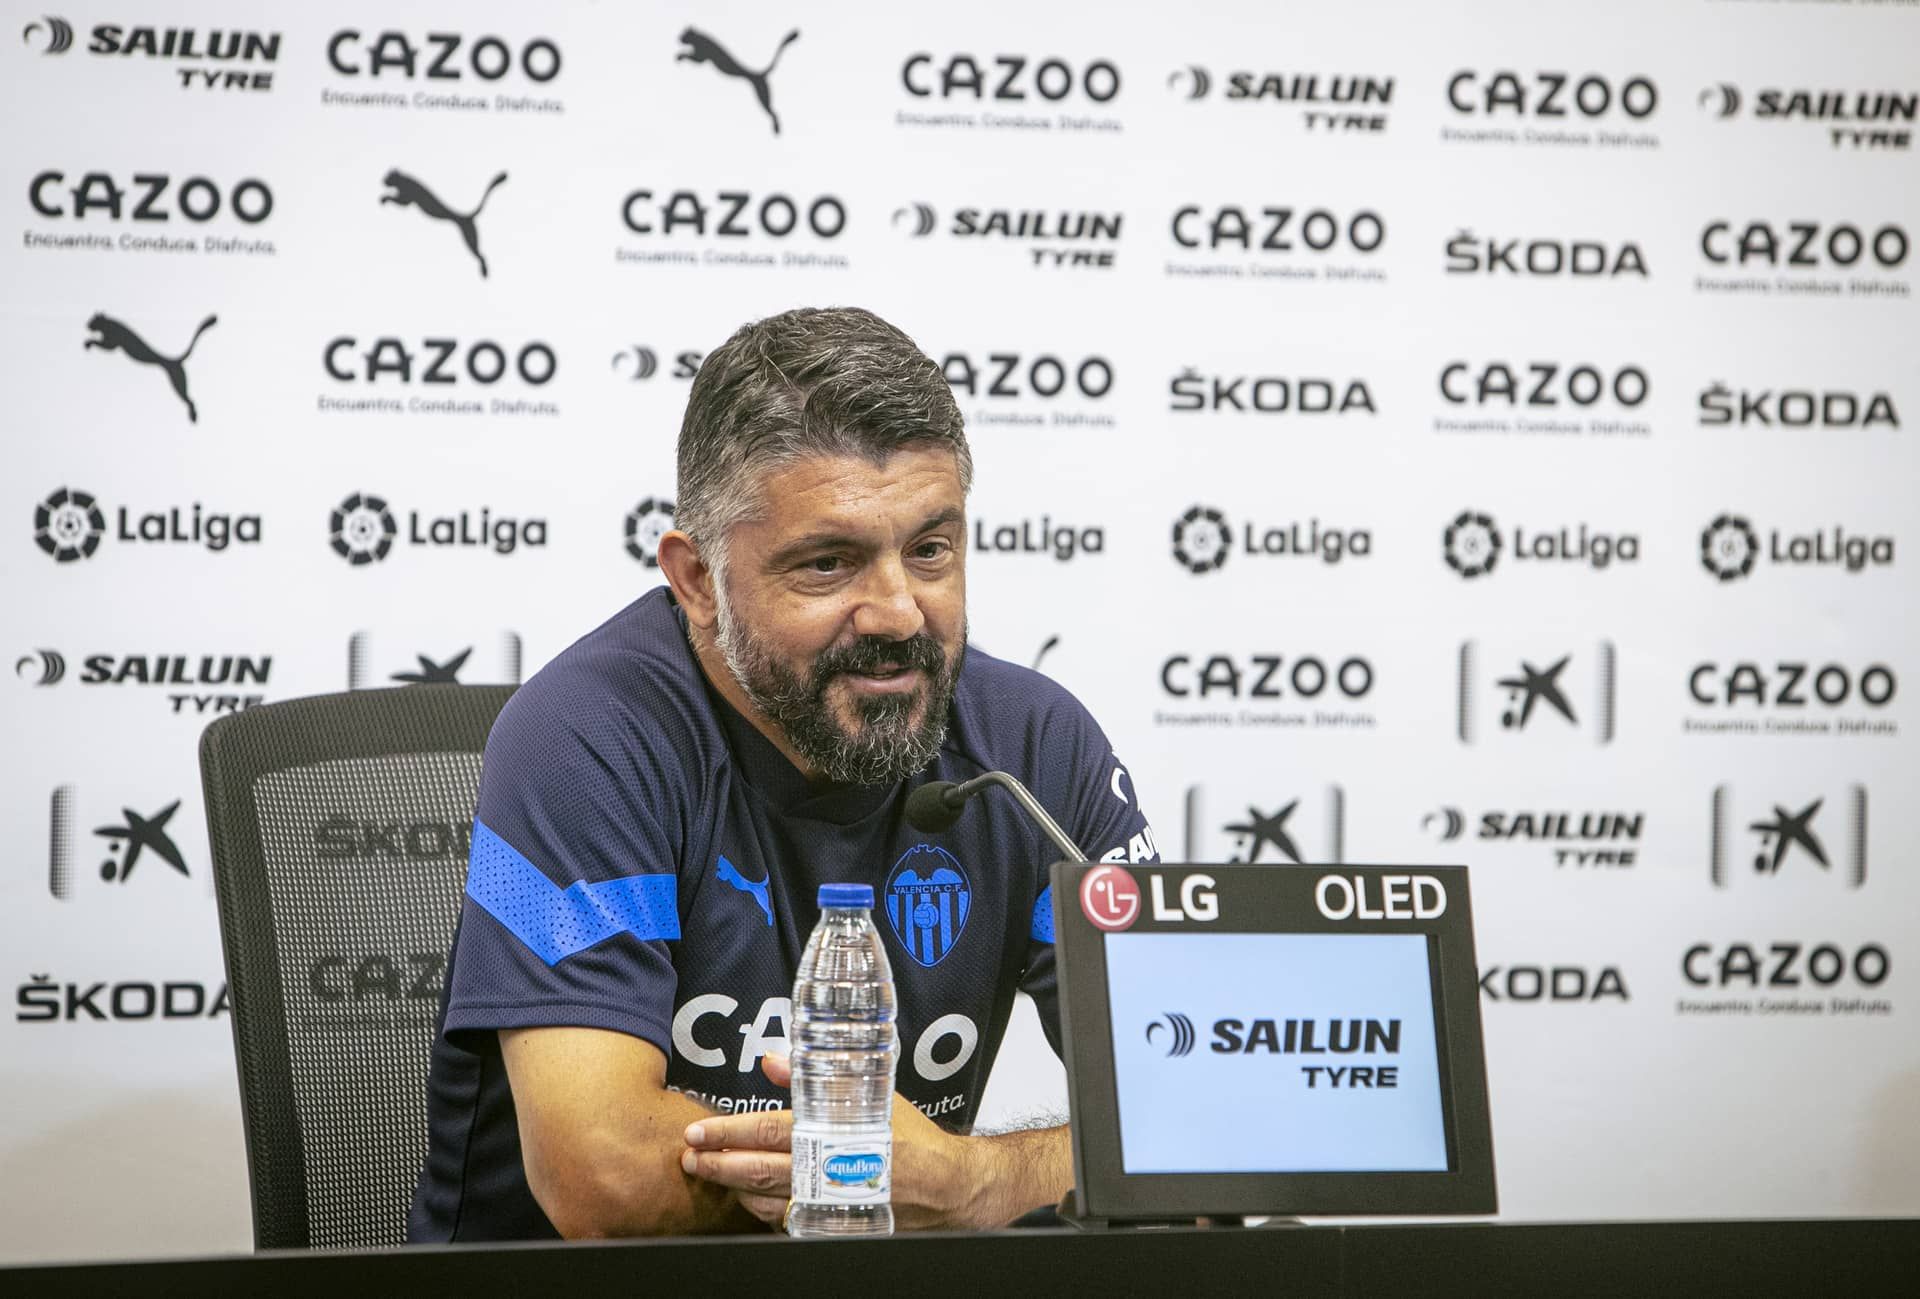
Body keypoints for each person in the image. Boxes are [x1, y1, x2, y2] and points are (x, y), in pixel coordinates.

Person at [408, 306, 1161, 1241]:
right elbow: (601, 1178)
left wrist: (970, 1177)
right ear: (695, 578)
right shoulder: (587, 735)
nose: (896, 612)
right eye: (828, 563)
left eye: (930, 549)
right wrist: (862, 1164)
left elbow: (1207, 1125)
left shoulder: (1035, 750)